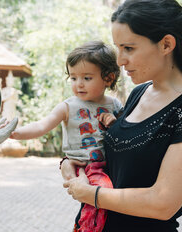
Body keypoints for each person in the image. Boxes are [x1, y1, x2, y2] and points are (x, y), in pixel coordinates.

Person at [62, 0, 182, 232]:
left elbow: (163, 203)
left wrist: (90, 194)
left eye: (129, 48)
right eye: (118, 48)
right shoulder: (140, 93)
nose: (119, 60)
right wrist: (74, 164)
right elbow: (118, 165)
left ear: (166, 44)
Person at [9, 41, 122, 231]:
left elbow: (122, 134)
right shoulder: (68, 106)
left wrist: (113, 123)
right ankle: (86, 228)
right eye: (73, 77)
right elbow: (42, 125)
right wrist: (16, 133)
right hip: (83, 165)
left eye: (87, 77)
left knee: (101, 197)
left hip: (108, 165)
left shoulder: (115, 105)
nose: (79, 84)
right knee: (101, 194)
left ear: (108, 78)